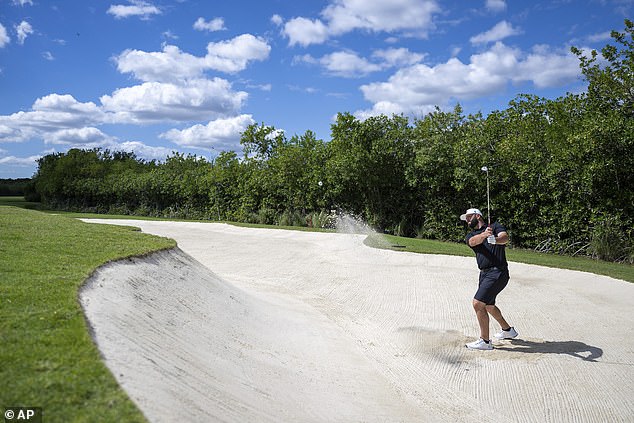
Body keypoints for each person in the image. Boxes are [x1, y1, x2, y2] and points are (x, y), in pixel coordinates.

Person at [460, 208, 518, 350]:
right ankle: (507, 330)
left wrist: (495, 239)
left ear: (477, 216)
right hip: (484, 274)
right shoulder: (471, 235)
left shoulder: (495, 226)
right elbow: (473, 242)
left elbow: (505, 238)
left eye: (468, 217)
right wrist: (485, 236)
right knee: (488, 305)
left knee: (478, 303)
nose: (467, 221)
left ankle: (485, 341)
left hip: (498, 272)